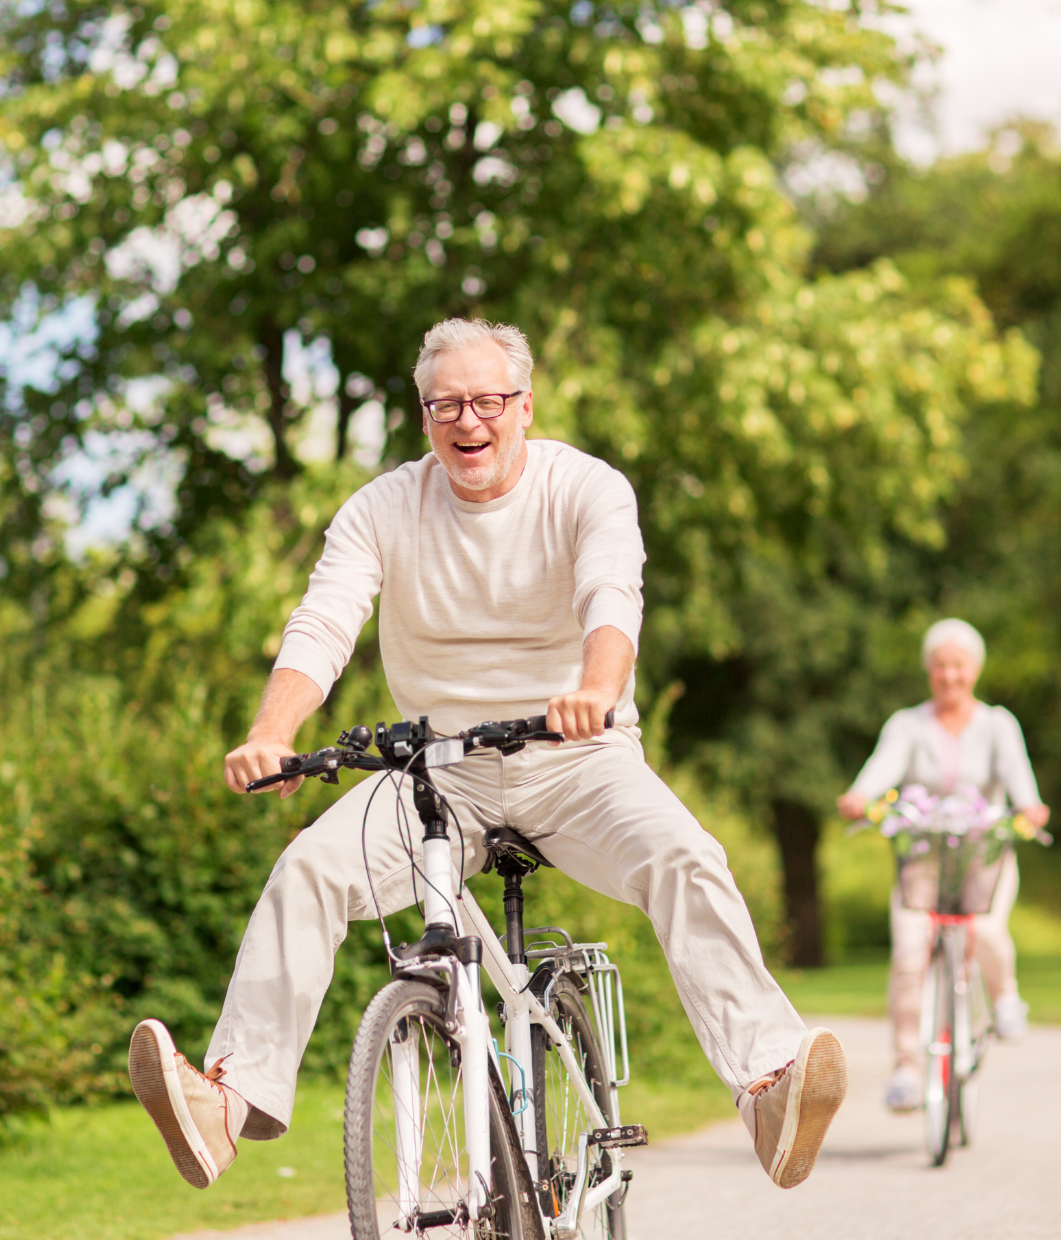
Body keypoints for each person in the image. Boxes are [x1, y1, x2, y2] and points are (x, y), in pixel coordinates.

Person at [127, 318, 848, 1195]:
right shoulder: (382, 507)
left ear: (524, 406)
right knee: (308, 869)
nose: (468, 421)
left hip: (577, 756)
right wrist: (270, 733)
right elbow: (323, 623)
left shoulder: (585, 487)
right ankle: (226, 1104)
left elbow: (611, 595)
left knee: (686, 856)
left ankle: (769, 1086)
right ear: (424, 416)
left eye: (487, 401)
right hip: (438, 773)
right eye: (446, 406)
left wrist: (595, 688)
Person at [835, 619, 1050, 1114]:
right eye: (940, 667)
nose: (949, 676)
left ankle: (1005, 999)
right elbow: (879, 771)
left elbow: (1022, 785)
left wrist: (1030, 808)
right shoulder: (908, 725)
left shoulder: (998, 724)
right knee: (910, 954)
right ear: (929, 671)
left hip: (984, 856)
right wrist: (860, 797)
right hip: (924, 858)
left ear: (974, 671)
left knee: (987, 931)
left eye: (958, 666)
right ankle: (907, 1069)